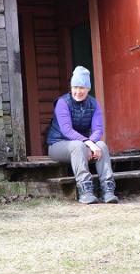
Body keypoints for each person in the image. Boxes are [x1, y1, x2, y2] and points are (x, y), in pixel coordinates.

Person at [46, 66, 118, 204]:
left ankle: (108, 190)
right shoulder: (62, 102)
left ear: (88, 89)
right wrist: (89, 143)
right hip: (57, 145)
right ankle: (85, 191)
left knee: (101, 145)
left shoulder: (94, 104)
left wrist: (91, 142)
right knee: (78, 146)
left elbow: (98, 129)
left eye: (82, 88)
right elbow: (66, 130)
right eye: (75, 87)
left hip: (82, 144)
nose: (77, 91)